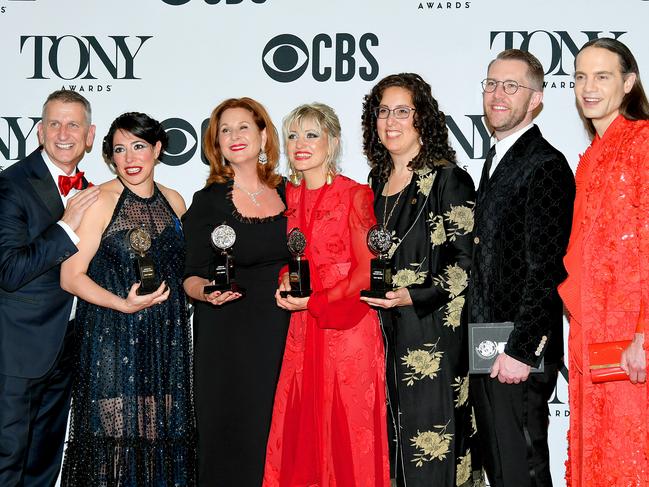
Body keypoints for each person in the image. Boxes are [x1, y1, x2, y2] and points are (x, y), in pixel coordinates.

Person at [59, 112, 196, 485]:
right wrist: (122, 304)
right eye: (120, 149)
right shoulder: (99, 202)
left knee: (158, 442)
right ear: (110, 158)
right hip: (112, 336)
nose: (130, 158)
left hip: (165, 341)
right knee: (114, 450)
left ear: (157, 149)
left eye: (138, 146)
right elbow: (71, 276)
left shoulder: (175, 201)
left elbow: (186, 270)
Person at [360, 73, 479, 487]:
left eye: (403, 111)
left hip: (433, 338)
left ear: (422, 118)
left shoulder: (449, 179)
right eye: (383, 111)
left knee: (434, 451)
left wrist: (415, 295)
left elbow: (466, 263)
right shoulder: (375, 182)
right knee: (393, 450)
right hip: (384, 333)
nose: (391, 121)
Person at [263, 103, 390, 487]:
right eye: (293, 135)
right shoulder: (291, 198)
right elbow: (300, 259)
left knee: (348, 429)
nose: (300, 144)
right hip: (304, 329)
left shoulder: (355, 195)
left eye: (312, 134)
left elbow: (366, 270)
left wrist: (317, 301)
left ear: (332, 142)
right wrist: (287, 278)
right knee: (301, 428)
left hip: (347, 329)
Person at [468, 49, 575, 487]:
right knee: (503, 469)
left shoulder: (545, 165)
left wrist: (522, 350)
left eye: (511, 86)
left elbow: (547, 268)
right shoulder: (499, 158)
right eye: (492, 84)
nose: (497, 94)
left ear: (536, 99)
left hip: (516, 352)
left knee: (523, 471)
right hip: (489, 346)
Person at [182, 97, 289, 487]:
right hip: (225, 336)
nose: (234, 136)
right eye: (224, 130)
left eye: (243, 126)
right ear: (216, 143)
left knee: (275, 433)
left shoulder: (291, 194)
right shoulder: (207, 202)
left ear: (263, 134)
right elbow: (190, 275)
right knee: (228, 436)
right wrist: (206, 291)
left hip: (281, 333)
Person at [559, 37, 649, 487]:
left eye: (602, 76)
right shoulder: (591, 157)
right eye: (580, 77)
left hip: (629, 334)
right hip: (589, 332)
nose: (588, 88)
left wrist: (643, 335)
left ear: (629, 82)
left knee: (627, 455)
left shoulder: (643, 142)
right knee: (595, 452)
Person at [0, 90, 99, 486]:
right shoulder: (11, 185)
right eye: (54, 124)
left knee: (44, 466)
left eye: (73, 124)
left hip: (66, 348)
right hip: (18, 352)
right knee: (7, 459)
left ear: (89, 135)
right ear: (40, 132)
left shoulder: (91, 190)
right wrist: (65, 226)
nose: (63, 133)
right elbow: (8, 271)